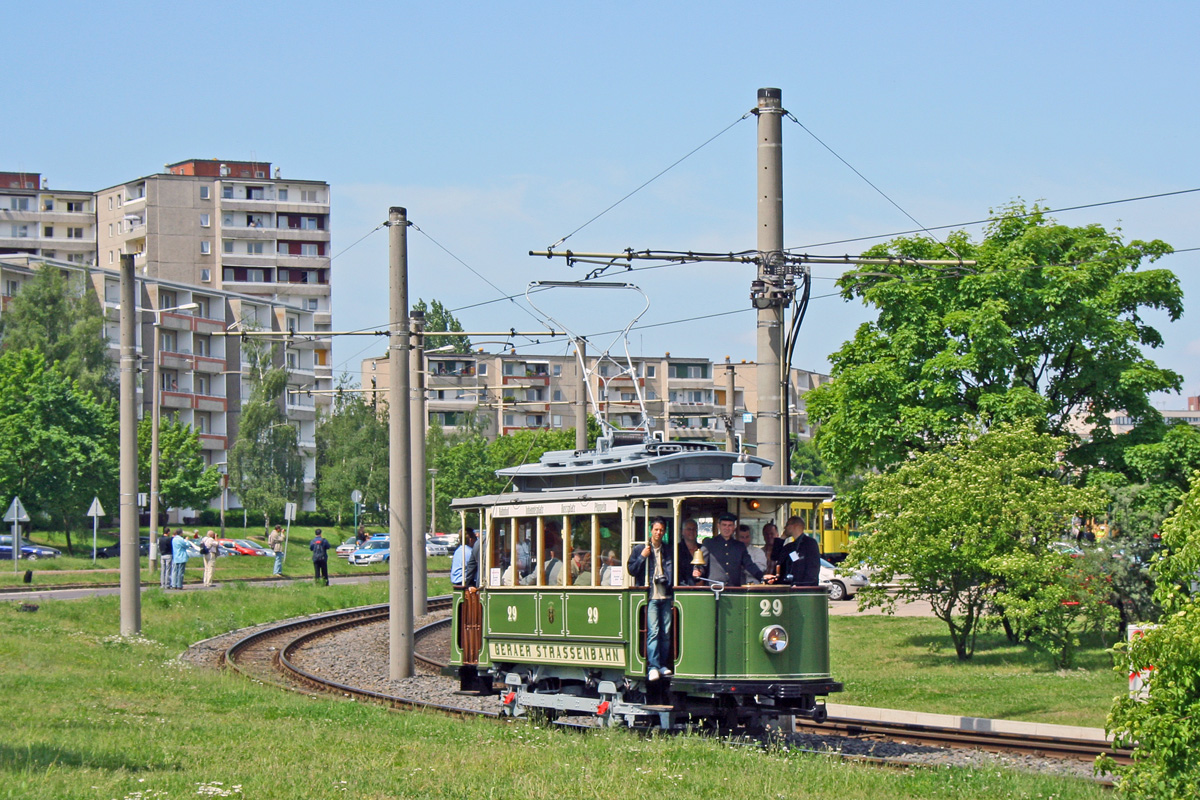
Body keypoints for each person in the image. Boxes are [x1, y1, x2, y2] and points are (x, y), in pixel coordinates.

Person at [627, 516, 674, 681]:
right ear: (651, 530)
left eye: (661, 530)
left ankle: (662, 664)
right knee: (653, 631)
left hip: (666, 595)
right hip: (651, 596)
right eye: (656, 530)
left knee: (666, 632)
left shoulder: (668, 549)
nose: (658, 533)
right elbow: (631, 570)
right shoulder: (641, 548)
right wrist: (642, 556)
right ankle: (653, 666)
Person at [693, 512, 772, 587]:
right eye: (724, 525)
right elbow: (701, 564)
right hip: (714, 588)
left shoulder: (739, 546)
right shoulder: (709, 543)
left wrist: (762, 577)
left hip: (734, 589)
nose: (727, 528)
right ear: (718, 526)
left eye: (730, 525)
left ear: (734, 527)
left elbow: (749, 565)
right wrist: (697, 571)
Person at [777, 516, 821, 586]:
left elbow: (813, 568)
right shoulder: (790, 547)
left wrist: (803, 585)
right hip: (789, 587)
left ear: (795, 526)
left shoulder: (810, 543)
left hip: (803, 588)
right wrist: (782, 538)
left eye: (787, 525)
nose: (785, 528)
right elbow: (776, 557)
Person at [674, 518, 702, 586]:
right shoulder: (676, 549)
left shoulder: (702, 549)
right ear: (682, 532)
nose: (692, 532)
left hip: (702, 589)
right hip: (682, 589)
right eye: (689, 529)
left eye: (694, 529)